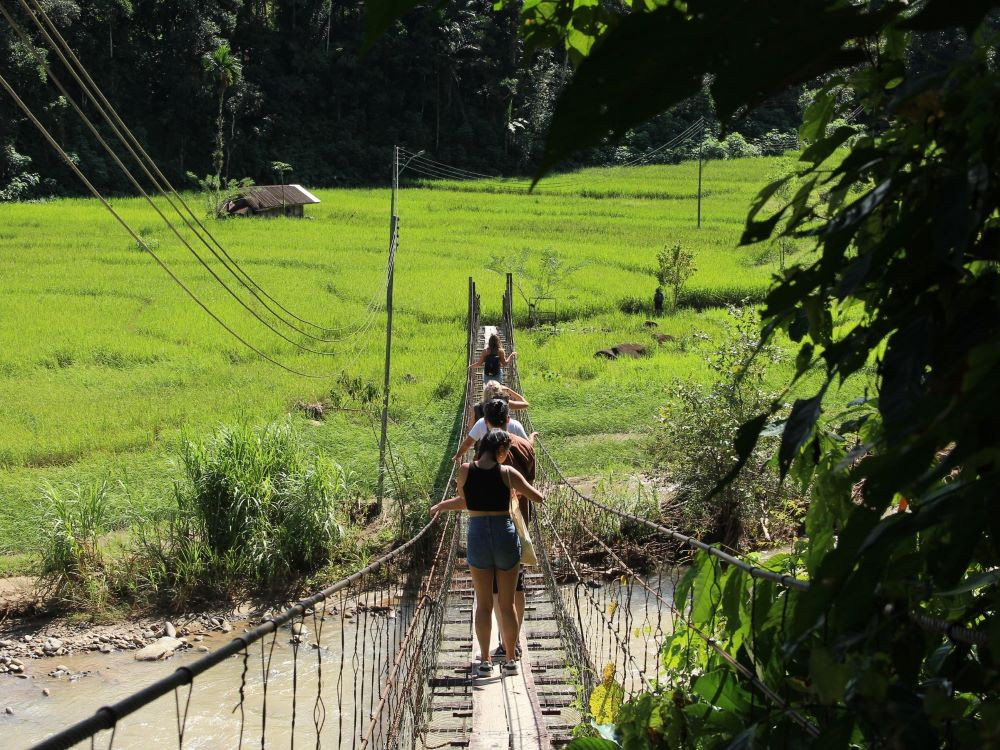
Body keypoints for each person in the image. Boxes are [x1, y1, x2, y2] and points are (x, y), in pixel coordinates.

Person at [431, 429, 544, 677]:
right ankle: (511, 660)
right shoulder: (507, 473)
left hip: (479, 537)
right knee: (506, 605)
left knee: (483, 604)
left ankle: (484, 662)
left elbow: (466, 502)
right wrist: (516, 491)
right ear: (501, 451)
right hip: (505, 536)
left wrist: (441, 505)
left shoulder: (465, 470)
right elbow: (539, 497)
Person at [454, 398, 535, 463]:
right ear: (508, 419)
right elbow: (528, 446)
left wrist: (457, 456)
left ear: (486, 420)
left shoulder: (480, 423)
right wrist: (532, 437)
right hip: (512, 464)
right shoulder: (516, 425)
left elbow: (468, 443)